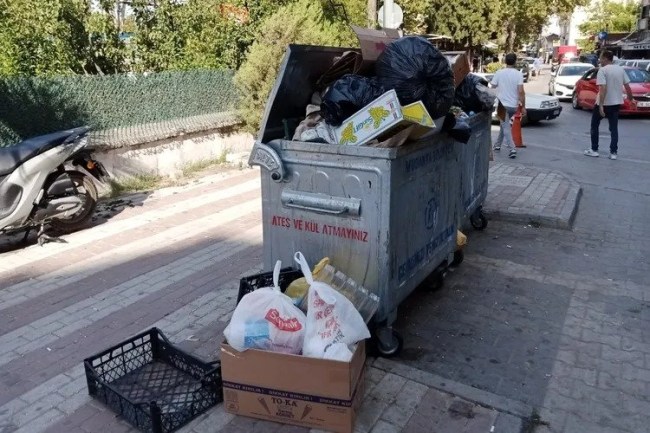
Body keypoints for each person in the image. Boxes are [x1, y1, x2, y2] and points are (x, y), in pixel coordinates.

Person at [584, 50, 636, 160]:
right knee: (614, 128)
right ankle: (613, 153)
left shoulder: (602, 70)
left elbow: (603, 88)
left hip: (603, 103)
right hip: (616, 103)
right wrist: (631, 99)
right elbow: (627, 86)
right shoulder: (620, 69)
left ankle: (594, 150)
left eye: (601, 58)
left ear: (606, 58)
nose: (599, 60)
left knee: (594, 126)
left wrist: (601, 105)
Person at [490, 53, 526, 159]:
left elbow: (493, 86)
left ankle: (512, 149)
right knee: (504, 125)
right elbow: (521, 91)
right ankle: (497, 145)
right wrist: (523, 106)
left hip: (502, 105)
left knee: (505, 127)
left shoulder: (499, 73)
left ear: (505, 61)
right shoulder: (518, 74)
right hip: (513, 106)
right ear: (515, 62)